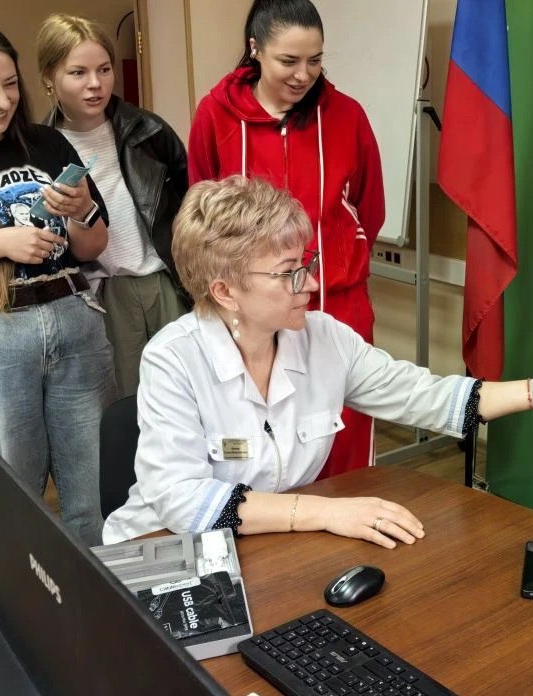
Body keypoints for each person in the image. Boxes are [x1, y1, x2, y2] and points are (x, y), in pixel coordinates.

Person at [102, 176, 533, 546]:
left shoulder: (323, 338)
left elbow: (426, 397)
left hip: (262, 545)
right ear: (225, 291)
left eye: (307, 263)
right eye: (288, 272)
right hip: (161, 547)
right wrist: (327, 512)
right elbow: (185, 502)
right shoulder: (173, 358)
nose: (311, 282)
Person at [187, 0, 383, 480]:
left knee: (344, 443)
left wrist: (339, 261)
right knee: (260, 449)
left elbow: (369, 208)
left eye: (315, 60)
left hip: (336, 304)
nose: (303, 75)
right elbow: (201, 215)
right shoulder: (216, 115)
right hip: (250, 315)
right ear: (255, 49)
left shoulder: (347, 116)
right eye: (289, 61)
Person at [0, 20, 114, 546]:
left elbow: (92, 246)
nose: (2, 101)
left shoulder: (47, 142)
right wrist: (0, 243)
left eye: (10, 84)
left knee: (95, 486)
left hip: (74, 315)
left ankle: (102, 588)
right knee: (14, 492)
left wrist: (81, 210)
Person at [37, 13, 190, 397]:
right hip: (101, 290)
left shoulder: (149, 130)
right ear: (49, 78)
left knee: (186, 392)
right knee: (125, 402)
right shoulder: (40, 150)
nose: (96, 84)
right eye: (78, 73)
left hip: (164, 278)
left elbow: (188, 200)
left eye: (104, 69)